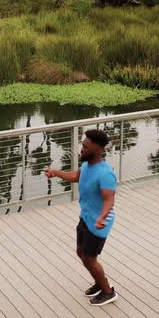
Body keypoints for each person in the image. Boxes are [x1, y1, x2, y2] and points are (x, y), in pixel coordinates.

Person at [45, 129, 118, 306]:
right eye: (82, 145)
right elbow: (77, 176)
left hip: (98, 223)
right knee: (81, 252)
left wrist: (101, 218)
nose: (82, 149)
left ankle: (108, 292)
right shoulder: (87, 166)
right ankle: (100, 282)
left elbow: (109, 200)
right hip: (86, 217)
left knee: (89, 258)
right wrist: (57, 173)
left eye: (86, 146)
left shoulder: (105, 173)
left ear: (98, 149)